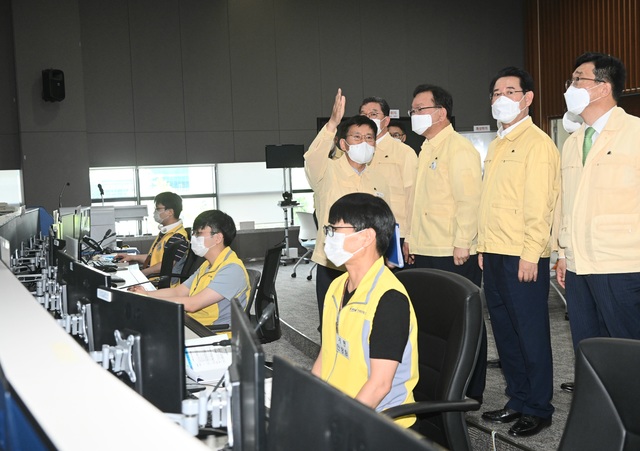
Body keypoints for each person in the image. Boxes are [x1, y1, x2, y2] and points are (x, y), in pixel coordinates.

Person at [477, 67, 560, 437]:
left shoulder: (538, 143)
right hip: (494, 251)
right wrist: (483, 246)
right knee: (506, 333)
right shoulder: (496, 144)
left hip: (522, 255)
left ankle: (539, 407)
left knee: (530, 333)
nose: (501, 98)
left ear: (527, 99)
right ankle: (518, 398)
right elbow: (490, 202)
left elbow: (540, 205)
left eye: (510, 91)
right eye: (496, 93)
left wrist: (532, 252)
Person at [555, 52, 640, 392]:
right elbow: (567, 203)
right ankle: (601, 423)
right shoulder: (574, 141)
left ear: (603, 88)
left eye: (578, 80)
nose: (571, 87)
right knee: (587, 352)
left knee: (627, 353)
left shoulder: (635, 133)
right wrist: (562, 251)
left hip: (621, 264)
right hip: (578, 266)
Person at [404, 84, 486, 403]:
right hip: (426, 248)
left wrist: (464, 242)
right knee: (431, 325)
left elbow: (469, 201)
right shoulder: (425, 148)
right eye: (412, 110)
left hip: (453, 252)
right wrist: (410, 239)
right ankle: (439, 387)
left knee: (464, 326)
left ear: (440, 112)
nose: (414, 116)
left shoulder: (459, 148)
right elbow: (417, 203)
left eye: (419, 109)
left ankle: (470, 391)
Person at [311, 192, 418, 428]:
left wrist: (336, 426)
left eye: (335, 230)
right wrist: (307, 404)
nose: (328, 238)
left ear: (366, 237)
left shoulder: (388, 299)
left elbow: (379, 385)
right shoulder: (336, 287)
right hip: (339, 406)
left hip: (379, 422)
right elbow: (325, 356)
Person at [304, 89, 390, 327]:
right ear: (343, 143)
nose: (364, 142)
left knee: (368, 323)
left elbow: (387, 221)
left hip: (370, 265)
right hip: (334, 264)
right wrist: (332, 123)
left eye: (369, 138)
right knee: (333, 323)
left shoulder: (379, 178)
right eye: (357, 137)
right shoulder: (327, 171)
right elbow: (312, 158)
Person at [130, 210, 250, 327]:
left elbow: (193, 304)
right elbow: (178, 291)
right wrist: (146, 293)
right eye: (193, 233)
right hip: (194, 323)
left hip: (213, 332)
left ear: (218, 238)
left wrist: (148, 297)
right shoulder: (207, 265)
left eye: (199, 233)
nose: (193, 238)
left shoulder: (231, 269)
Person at [359, 97, 418, 266]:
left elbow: (412, 197)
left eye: (373, 114)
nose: (367, 118)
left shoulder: (404, 153)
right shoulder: (357, 153)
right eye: (363, 114)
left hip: (395, 234)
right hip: (364, 234)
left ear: (386, 120)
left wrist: (411, 238)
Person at [117, 192, 188, 285]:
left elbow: (166, 265)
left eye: (158, 209)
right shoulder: (166, 233)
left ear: (170, 212)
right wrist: (131, 257)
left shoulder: (178, 237)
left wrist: (142, 273)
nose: (155, 212)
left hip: (162, 285)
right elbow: (154, 258)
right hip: (153, 280)